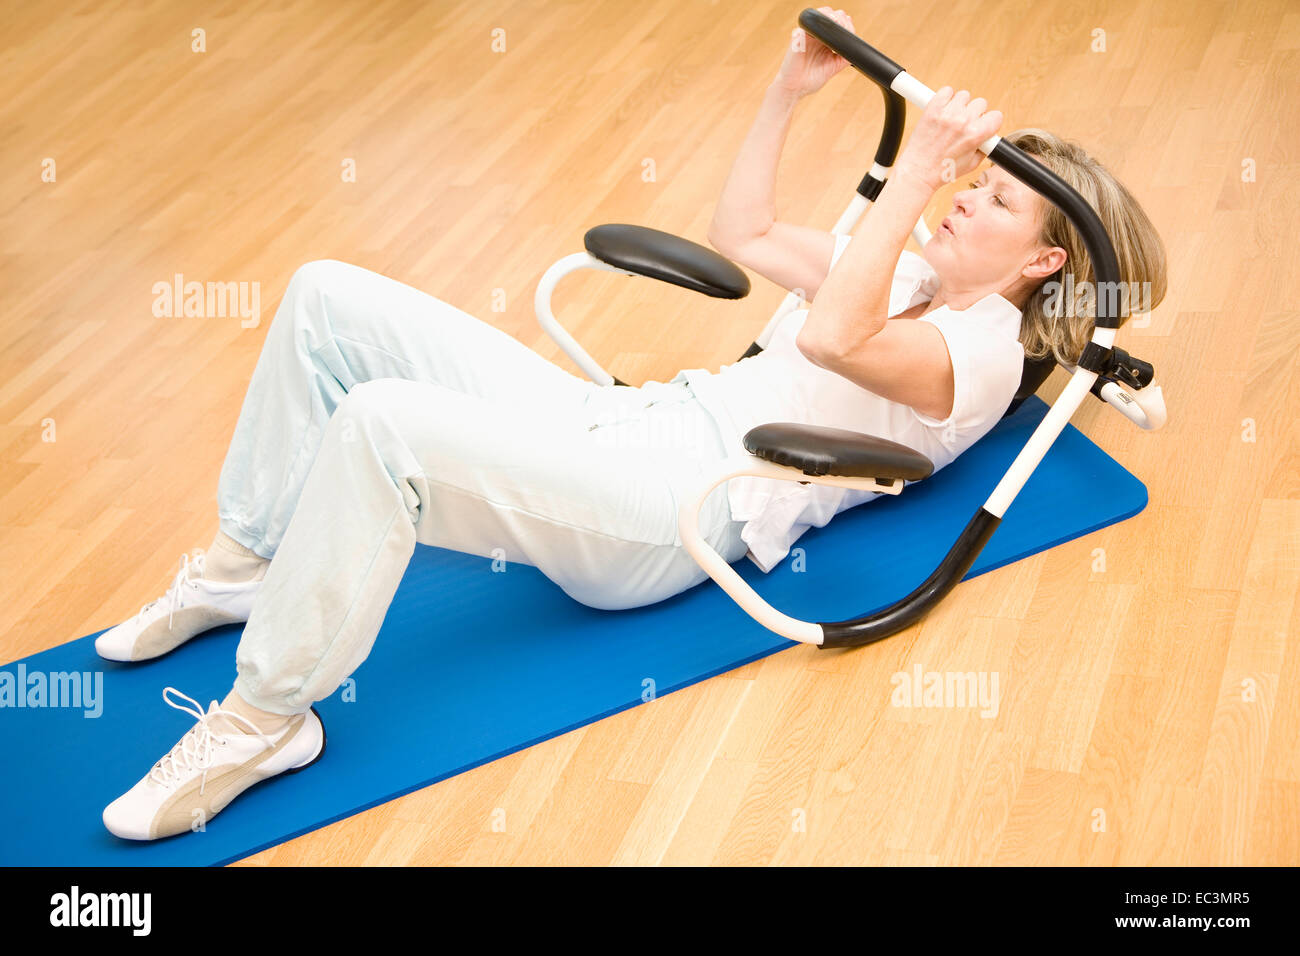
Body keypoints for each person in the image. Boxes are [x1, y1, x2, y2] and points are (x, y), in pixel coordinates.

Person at [99, 7, 1167, 840]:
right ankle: (245, 562)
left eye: (993, 201)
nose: (964, 198)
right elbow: (740, 229)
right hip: (639, 420)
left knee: (382, 425)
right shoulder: (921, 272)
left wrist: (914, 174)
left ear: (1044, 261)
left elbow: (839, 336)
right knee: (326, 293)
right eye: (969, 184)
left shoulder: (978, 357)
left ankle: (266, 717)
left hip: (672, 515)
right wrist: (782, 98)